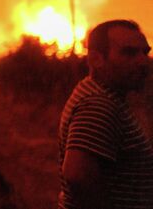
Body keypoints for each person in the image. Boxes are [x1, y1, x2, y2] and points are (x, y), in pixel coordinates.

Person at [58, 20, 153, 209]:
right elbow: (78, 176)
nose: (143, 61)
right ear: (96, 60)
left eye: (145, 52)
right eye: (129, 52)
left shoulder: (99, 92)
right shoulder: (98, 103)